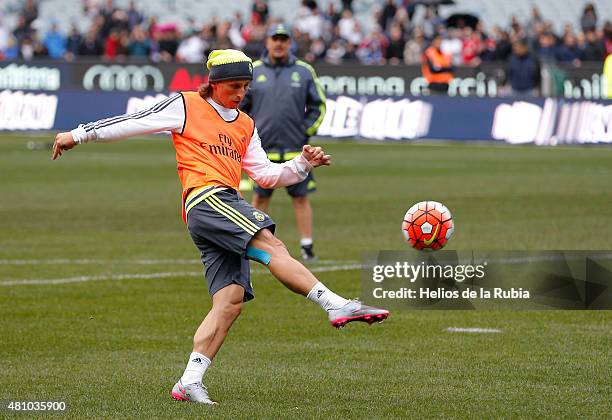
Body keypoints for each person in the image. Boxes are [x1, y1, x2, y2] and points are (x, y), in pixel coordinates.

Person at [52, 49, 389, 405]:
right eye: (234, 85)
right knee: (272, 246)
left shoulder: (245, 123)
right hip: (207, 200)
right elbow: (134, 120)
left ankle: (189, 381)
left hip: (219, 207)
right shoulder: (185, 105)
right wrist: (80, 134)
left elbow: (268, 175)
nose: (241, 93)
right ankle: (335, 304)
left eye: (245, 85)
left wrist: (302, 164)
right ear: (213, 83)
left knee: (229, 301)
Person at [240, 24, 326, 262]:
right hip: (262, 151)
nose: (279, 43)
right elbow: (240, 107)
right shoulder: (253, 70)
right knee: (260, 199)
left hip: (295, 149)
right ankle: (251, 242)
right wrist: (249, 134)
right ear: (267, 42)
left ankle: (307, 246)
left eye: (283, 39)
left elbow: (319, 105)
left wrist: (305, 130)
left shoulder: (304, 71)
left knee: (300, 198)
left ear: (290, 43)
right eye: (274, 38)